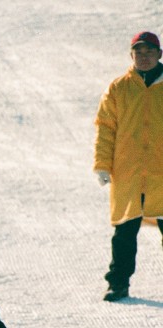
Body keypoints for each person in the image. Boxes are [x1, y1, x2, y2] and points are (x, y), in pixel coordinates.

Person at [94, 31, 163, 302]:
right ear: (131, 55)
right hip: (129, 174)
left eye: (149, 52)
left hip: (162, 174)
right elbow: (105, 129)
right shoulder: (119, 88)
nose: (143, 57)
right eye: (138, 52)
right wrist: (102, 164)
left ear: (159, 54)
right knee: (124, 232)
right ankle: (118, 284)